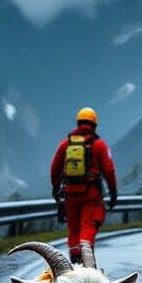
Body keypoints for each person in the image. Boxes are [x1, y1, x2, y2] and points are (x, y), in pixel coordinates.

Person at [50, 107, 118, 264]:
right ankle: (86, 257)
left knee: (73, 227)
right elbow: (109, 170)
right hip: (91, 193)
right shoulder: (99, 145)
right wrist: (113, 192)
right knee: (88, 225)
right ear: (94, 125)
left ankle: (74, 257)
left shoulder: (66, 144)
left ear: (78, 123)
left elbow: (55, 168)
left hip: (70, 193)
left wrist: (56, 187)